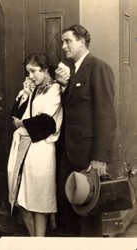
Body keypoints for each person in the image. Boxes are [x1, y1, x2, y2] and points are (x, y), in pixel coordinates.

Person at [55, 24, 117, 236]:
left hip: (88, 155)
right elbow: (73, 108)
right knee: (69, 206)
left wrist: (100, 157)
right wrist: (64, 87)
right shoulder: (74, 71)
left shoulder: (98, 67)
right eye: (63, 42)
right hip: (69, 153)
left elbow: (106, 115)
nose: (63, 46)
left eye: (68, 41)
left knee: (89, 211)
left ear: (82, 42)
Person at [7, 53, 62, 236]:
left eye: (33, 71)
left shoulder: (54, 90)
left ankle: (40, 241)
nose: (30, 76)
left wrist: (22, 123)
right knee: (21, 196)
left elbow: (46, 123)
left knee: (39, 198)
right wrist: (25, 95)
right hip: (24, 148)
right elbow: (15, 115)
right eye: (28, 72)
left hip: (41, 150)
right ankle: (33, 240)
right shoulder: (34, 90)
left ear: (45, 70)